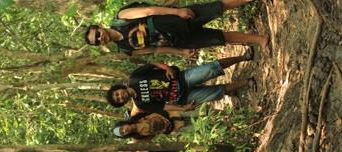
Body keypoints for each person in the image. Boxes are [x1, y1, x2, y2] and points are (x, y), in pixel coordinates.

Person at [85, 0, 269, 57]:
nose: (100, 38)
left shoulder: (121, 18)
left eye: (98, 34)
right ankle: (260, 40)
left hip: (173, 21)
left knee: (217, 8)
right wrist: (178, 52)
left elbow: (149, 10)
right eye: (97, 41)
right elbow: (155, 49)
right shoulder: (125, 49)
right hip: (178, 40)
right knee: (219, 38)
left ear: (100, 27)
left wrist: (177, 11)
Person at [105, 53, 255, 113]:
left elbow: (152, 65)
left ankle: (244, 57)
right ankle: (246, 83)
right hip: (182, 98)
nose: (120, 96)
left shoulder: (134, 78)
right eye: (118, 100)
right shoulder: (141, 104)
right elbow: (163, 106)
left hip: (181, 79)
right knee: (215, 93)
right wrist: (183, 109)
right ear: (121, 102)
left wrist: (167, 68)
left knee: (211, 68)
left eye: (117, 94)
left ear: (119, 88)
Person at [112, 109, 190, 141]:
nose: (124, 130)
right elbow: (153, 135)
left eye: (122, 128)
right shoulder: (138, 136)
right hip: (173, 128)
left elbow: (152, 109)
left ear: (123, 124)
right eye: (123, 133)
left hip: (172, 114)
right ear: (125, 135)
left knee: (200, 113)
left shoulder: (136, 115)